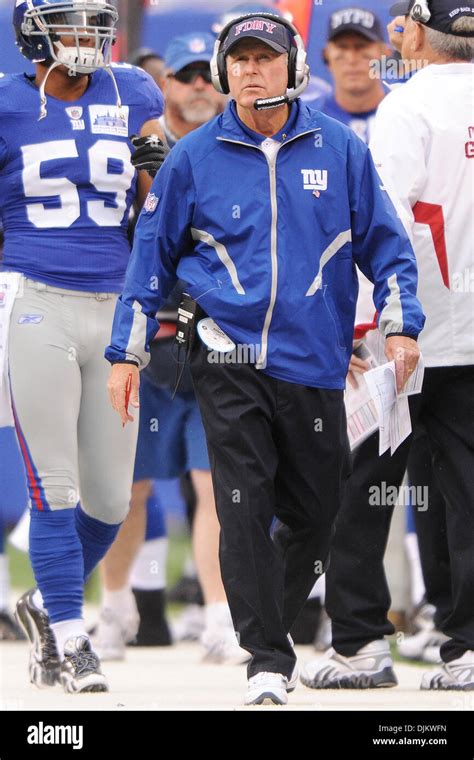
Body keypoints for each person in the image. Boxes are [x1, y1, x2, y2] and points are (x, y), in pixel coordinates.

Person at [106, 12, 424, 705]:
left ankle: (265, 627)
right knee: (242, 502)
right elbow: (148, 261)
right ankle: (267, 664)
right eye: (241, 59)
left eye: (266, 58)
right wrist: (125, 354)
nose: (252, 70)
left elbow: (390, 249)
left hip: (314, 362)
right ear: (226, 71)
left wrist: (400, 328)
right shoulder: (192, 158)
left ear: (292, 68)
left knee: (317, 512)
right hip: (227, 354)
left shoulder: (339, 149)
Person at [301, 0, 474, 692]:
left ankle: (361, 644)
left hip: (401, 334)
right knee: (464, 494)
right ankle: (464, 648)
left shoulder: (406, 107)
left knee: (361, 491)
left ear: (416, 34)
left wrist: (362, 328)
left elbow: (384, 224)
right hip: (467, 335)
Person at [1, 0, 164, 693]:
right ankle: (72, 640)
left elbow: (165, 197)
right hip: (34, 298)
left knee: (109, 501)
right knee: (55, 488)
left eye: (96, 21)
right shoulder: (7, 104)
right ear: (36, 30)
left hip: (118, 305)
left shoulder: (133, 90)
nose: (89, 37)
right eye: (71, 23)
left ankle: (44, 602)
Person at [95, 32, 247, 664]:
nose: (199, 87)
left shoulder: (241, 149)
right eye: (185, 77)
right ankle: (115, 608)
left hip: (215, 347)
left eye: (206, 75)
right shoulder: (128, 152)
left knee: (216, 489)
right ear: (166, 87)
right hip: (149, 343)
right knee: (128, 491)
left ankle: (219, 617)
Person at [309, 7, 391, 143]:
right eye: (342, 47)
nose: (352, 59)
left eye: (361, 46)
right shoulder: (305, 120)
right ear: (326, 55)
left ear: (386, 55)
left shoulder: (408, 115)